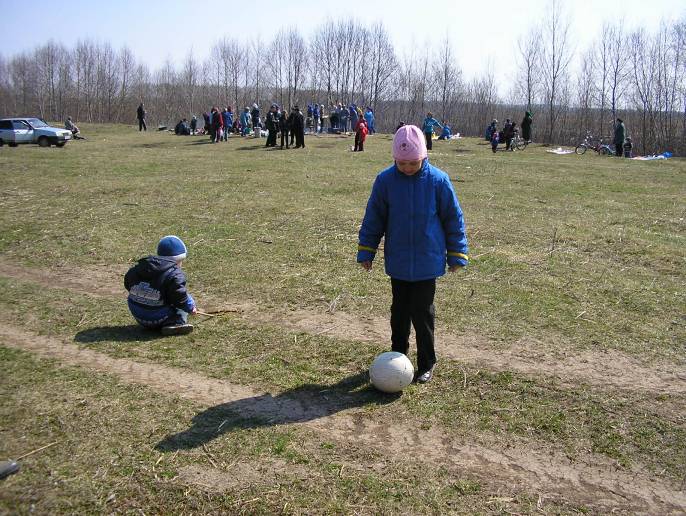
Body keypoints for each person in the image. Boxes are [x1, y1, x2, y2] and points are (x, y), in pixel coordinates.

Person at [356, 125, 468, 384]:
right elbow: (374, 218)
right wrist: (366, 251)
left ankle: (427, 362)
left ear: (424, 157)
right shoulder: (385, 181)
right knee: (399, 312)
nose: (407, 168)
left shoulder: (438, 181)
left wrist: (457, 254)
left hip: (428, 262)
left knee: (422, 312)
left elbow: (453, 218)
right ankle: (398, 357)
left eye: (413, 163)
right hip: (399, 261)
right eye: (402, 163)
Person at [124, 235, 197, 336]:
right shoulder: (175, 274)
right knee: (187, 299)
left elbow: (128, 284)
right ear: (178, 260)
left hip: (138, 316)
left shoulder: (139, 267)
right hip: (158, 318)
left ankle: (154, 319)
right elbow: (180, 297)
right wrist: (190, 308)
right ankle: (175, 323)